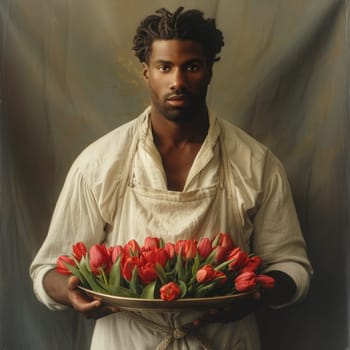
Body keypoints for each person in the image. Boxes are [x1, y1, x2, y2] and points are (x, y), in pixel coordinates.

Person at [30, 7, 312, 350]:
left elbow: (291, 266)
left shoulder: (256, 162)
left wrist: (256, 294)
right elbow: (47, 269)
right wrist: (71, 289)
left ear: (208, 71)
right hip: (125, 342)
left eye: (191, 66)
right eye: (165, 67)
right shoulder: (99, 162)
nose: (177, 81)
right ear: (146, 73)